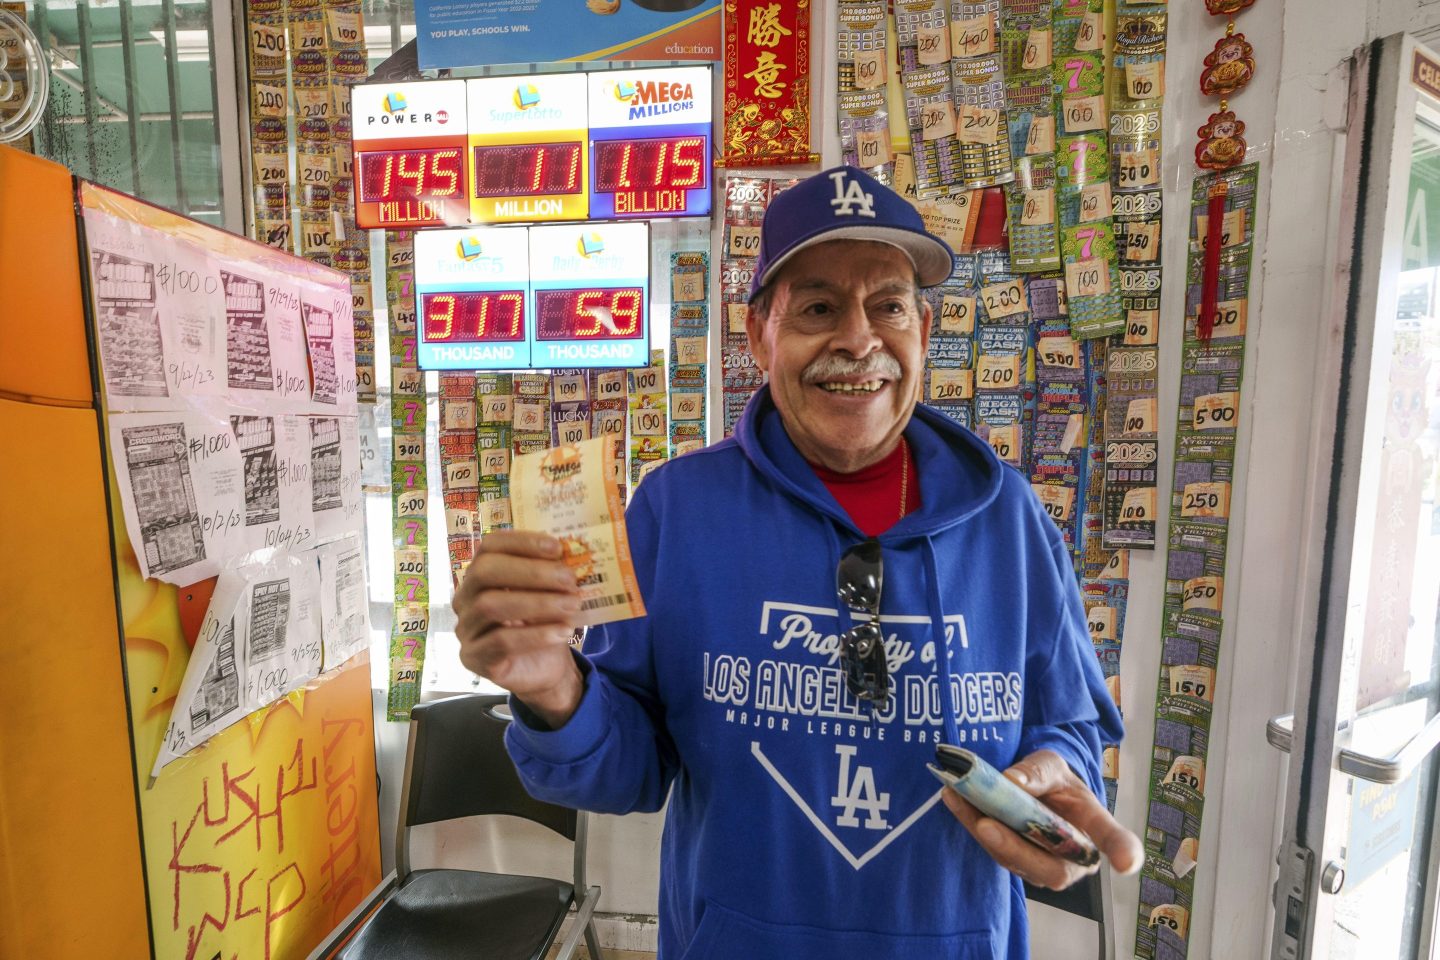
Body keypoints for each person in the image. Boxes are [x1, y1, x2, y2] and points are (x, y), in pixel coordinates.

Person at [454, 164, 1143, 959]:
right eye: (818, 306)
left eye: (887, 306)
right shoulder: (676, 511)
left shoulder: (1011, 520)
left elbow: (1074, 725)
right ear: (759, 335)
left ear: (921, 328)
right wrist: (556, 691)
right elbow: (627, 771)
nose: (859, 339)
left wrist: (1055, 775)